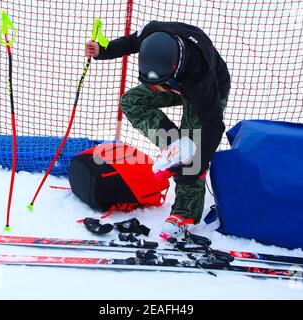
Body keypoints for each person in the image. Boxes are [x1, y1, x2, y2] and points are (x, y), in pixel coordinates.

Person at [85, 21, 230, 239]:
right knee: (132, 101)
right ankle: (177, 145)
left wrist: (197, 163)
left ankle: (184, 214)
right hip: (173, 81)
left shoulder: (200, 80)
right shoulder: (152, 32)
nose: (155, 90)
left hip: (206, 89)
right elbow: (132, 42)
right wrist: (103, 51)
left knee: (194, 145)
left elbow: (214, 126)